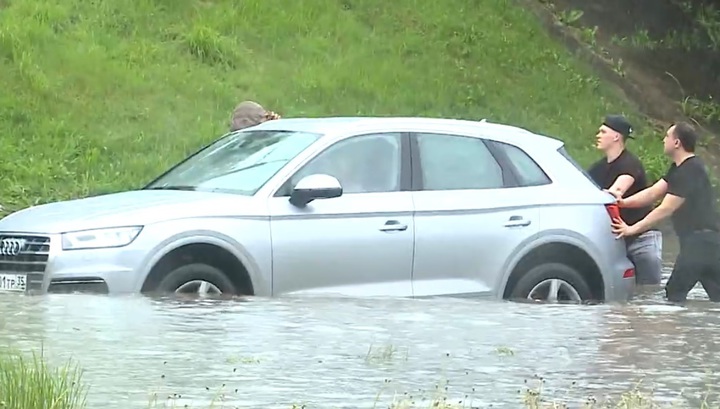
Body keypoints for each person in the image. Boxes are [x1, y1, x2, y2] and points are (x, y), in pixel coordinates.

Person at [611, 121, 720, 303]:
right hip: (706, 244)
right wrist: (622, 203)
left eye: (667, 136)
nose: (663, 140)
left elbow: (666, 208)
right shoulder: (679, 168)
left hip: (700, 244)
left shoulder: (690, 170)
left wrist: (631, 229)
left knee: (673, 294)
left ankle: (676, 330)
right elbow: (653, 192)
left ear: (677, 143)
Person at [587, 115, 663, 285]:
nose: (598, 135)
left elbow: (618, 189)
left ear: (616, 137)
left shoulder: (630, 164)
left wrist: (612, 193)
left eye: (603, 131)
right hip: (616, 238)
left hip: (642, 238)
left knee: (648, 292)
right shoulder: (598, 168)